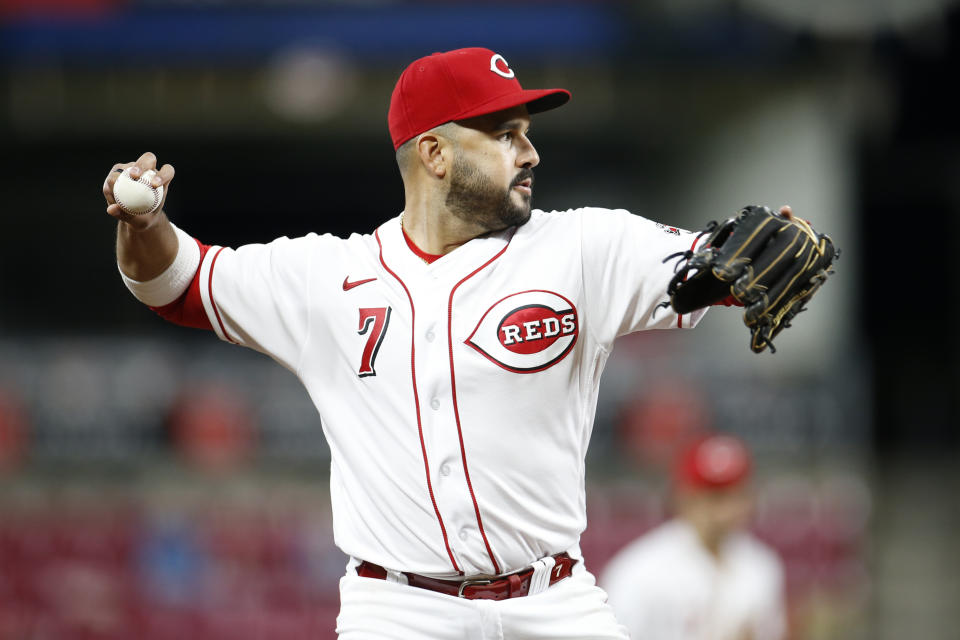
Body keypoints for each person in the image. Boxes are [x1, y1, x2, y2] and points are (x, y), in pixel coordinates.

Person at [103, 47, 789, 638]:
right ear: (434, 153)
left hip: (552, 600)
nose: (530, 152)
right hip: (396, 609)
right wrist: (144, 223)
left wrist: (744, 263)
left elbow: (708, 264)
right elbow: (177, 284)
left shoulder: (581, 247)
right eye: (505, 132)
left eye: (525, 131)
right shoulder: (327, 278)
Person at [600, 433, 788, 640]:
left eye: (735, 494)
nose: (725, 511)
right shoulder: (638, 570)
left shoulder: (762, 566)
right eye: (713, 496)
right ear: (684, 495)